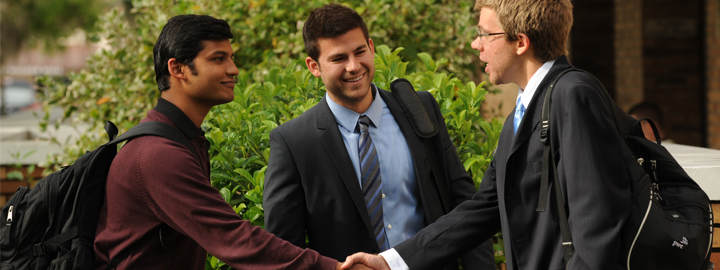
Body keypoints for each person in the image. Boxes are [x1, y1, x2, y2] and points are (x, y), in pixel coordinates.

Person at [343, 0, 637, 269]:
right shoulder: (520, 116)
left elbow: (597, 226)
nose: (475, 44)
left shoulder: (573, 94)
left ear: (520, 42)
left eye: (484, 34)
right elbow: (484, 209)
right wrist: (390, 262)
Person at [93, 14, 361, 270]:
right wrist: (334, 267)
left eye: (231, 57)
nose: (233, 69)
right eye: (218, 58)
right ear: (178, 68)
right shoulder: (157, 154)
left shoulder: (183, 138)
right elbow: (233, 239)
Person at [263, 4, 495, 270]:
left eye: (360, 52)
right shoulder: (293, 142)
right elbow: (284, 252)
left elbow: (463, 203)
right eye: (338, 58)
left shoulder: (420, 109)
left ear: (371, 48)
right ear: (314, 66)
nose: (353, 66)